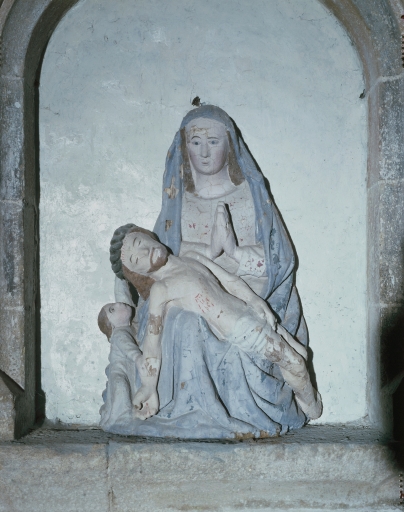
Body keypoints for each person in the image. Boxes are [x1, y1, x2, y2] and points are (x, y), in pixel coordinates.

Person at [110, 105, 314, 438]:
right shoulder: (177, 204)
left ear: (229, 144)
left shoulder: (249, 196)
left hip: (249, 290)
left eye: (213, 141)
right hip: (192, 303)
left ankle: (302, 404)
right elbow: (162, 270)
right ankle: (193, 412)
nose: (204, 152)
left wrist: (234, 254)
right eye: (196, 142)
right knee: (185, 324)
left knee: (291, 357)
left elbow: (278, 260)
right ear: (184, 147)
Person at [117, 226, 322, 422]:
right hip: (242, 330)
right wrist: (149, 387)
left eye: (139, 242)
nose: (144, 252)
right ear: (139, 274)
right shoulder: (161, 289)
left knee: (301, 355)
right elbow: (152, 344)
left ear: (148, 236)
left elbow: (230, 281)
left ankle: (302, 400)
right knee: (296, 364)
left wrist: (256, 301)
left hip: (252, 313)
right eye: (136, 259)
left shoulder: (191, 258)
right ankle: (312, 409)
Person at [98, 302, 142, 430]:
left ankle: (128, 414)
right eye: (112, 310)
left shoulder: (130, 328)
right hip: (120, 371)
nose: (118, 304)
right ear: (112, 325)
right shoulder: (119, 333)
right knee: (121, 389)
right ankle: (121, 417)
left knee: (130, 389)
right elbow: (128, 347)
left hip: (128, 368)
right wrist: (138, 357)